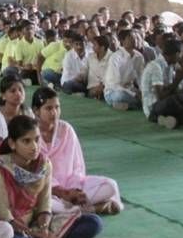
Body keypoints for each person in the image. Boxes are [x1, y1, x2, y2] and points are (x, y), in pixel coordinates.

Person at [0, 115, 105, 238]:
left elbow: (44, 205)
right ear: (12, 143)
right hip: (11, 227)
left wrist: (44, 230)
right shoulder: (0, 167)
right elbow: (4, 214)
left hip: (36, 223)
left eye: (37, 139)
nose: (34, 146)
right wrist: (37, 234)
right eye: (26, 141)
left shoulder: (44, 164)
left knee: (94, 222)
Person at [33, 87, 123, 215]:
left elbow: (78, 166)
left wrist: (75, 190)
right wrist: (63, 192)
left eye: (57, 107)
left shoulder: (66, 129)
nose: (54, 113)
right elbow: (34, 174)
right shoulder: (31, 133)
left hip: (71, 185)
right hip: (47, 189)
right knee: (46, 202)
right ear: (36, 111)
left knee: (110, 186)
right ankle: (89, 209)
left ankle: (78, 210)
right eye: (48, 108)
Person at [140, 38, 183, 130]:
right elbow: (161, 97)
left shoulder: (171, 65)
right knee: (175, 100)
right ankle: (162, 118)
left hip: (169, 101)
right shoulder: (155, 66)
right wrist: (178, 79)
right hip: (153, 106)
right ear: (176, 54)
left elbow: (172, 90)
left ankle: (169, 119)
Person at [103, 29, 144, 110]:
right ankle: (137, 104)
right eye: (130, 37)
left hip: (131, 90)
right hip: (114, 92)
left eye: (136, 37)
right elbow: (114, 84)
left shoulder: (139, 56)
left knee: (149, 94)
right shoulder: (115, 57)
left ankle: (129, 105)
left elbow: (141, 77)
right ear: (122, 41)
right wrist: (133, 94)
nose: (134, 40)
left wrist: (143, 92)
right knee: (120, 96)